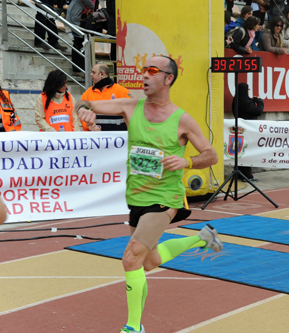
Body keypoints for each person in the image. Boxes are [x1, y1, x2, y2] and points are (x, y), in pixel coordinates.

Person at [77, 55, 222, 333]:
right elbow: (85, 102)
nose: (144, 74)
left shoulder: (183, 120)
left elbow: (211, 155)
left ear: (168, 79)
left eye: (152, 70)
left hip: (165, 199)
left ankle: (133, 328)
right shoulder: (130, 107)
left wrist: (186, 162)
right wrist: (84, 110)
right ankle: (202, 238)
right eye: (144, 69)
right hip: (137, 197)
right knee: (149, 262)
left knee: (131, 257)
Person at [79, 63, 133, 131]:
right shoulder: (87, 94)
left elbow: (133, 113)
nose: (91, 75)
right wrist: (88, 126)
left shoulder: (122, 92)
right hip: (96, 139)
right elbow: (82, 114)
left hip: (118, 139)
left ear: (102, 74)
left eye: (93, 72)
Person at [232, 83, 263, 182]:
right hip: (248, 131)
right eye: (248, 89)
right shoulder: (246, 102)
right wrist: (259, 101)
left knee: (240, 152)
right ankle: (247, 175)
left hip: (239, 130)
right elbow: (258, 111)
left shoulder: (236, 100)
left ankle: (239, 173)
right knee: (248, 152)